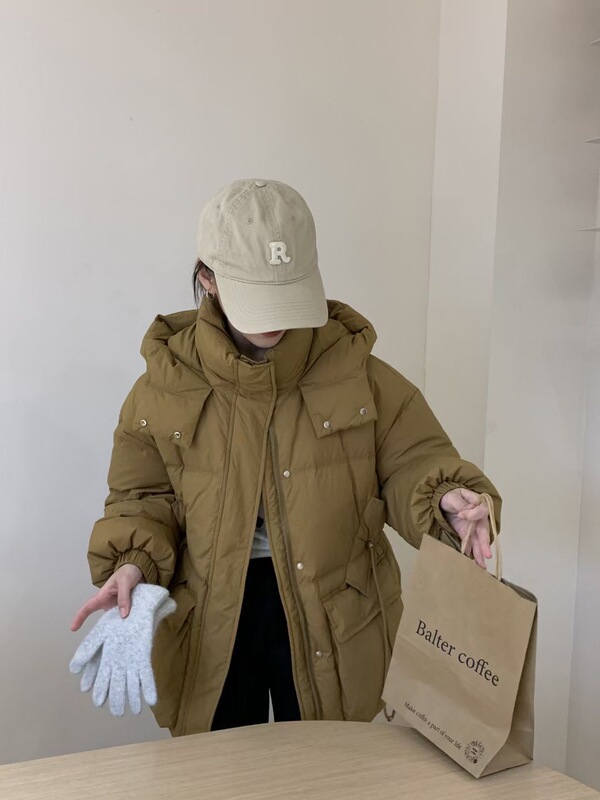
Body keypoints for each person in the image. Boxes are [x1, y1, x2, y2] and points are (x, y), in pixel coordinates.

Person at [71, 178, 500, 735]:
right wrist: (133, 562)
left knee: (330, 767)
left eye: (287, 293)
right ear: (207, 278)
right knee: (223, 769)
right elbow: (143, 497)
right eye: (256, 296)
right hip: (214, 613)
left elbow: (411, 460)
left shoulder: (356, 371)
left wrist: (444, 500)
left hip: (336, 617)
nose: (276, 317)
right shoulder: (164, 386)